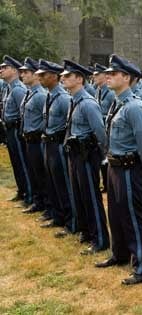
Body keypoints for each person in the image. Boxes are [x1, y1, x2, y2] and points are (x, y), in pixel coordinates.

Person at [95, 54, 142, 285]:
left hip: (130, 168)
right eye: (107, 73)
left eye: (113, 74)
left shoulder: (134, 107)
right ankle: (119, 253)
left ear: (126, 77)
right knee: (116, 213)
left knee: (132, 215)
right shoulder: (117, 103)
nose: (108, 77)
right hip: (115, 166)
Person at [61, 59, 109, 255]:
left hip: (86, 155)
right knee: (79, 195)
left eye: (67, 76)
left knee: (90, 195)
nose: (63, 79)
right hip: (75, 154)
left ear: (79, 79)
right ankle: (87, 231)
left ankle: (100, 238)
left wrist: (100, 156)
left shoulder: (88, 103)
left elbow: (101, 133)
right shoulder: (74, 100)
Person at [36, 59, 78, 238]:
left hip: (59, 145)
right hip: (48, 143)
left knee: (63, 185)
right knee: (52, 183)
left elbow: (70, 124)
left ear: (54, 76)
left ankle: (71, 221)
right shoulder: (49, 95)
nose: (40, 78)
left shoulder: (63, 98)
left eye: (43, 75)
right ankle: (58, 216)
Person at [19, 58, 51, 220]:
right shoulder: (30, 93)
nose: (22, 75)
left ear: (35, 75)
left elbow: (46, 119)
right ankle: (38, 201)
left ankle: (47, 205)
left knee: (42, 174)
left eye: (26, 72)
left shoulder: (40, 95)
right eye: (22, 72)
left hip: (38, 140)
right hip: (29, 139)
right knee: (34, 173)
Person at [0, 55, 31, 205]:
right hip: (9, 129)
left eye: (4, 68)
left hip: (17, 129)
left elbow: (23, 112)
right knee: (15, 162)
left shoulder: (18, 89)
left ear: (13, 70)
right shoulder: (9, 88)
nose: (1, 70)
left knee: (23, 163)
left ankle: (29, 194)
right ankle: (22, 190)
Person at [93, 63, 116, 194]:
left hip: (108, 130)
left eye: (98, 74)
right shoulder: (98, 90)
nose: (95, 77)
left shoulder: (111, 93)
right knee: (101, 158)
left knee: (107, 158)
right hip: (99, 129)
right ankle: (105, 184)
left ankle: (108, 185)